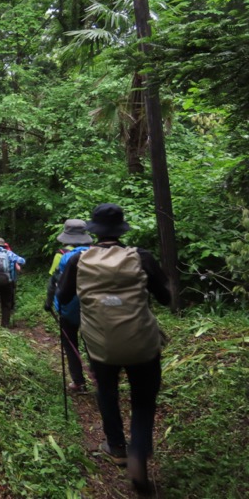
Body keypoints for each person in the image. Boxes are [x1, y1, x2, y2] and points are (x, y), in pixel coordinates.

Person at [56, 204, 171, 493]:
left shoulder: (78, 262)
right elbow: (166, 298)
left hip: (100, 344)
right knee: (143, 401)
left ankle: (117, 446)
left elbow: (64, 295)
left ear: (93, 231)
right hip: (142, 343)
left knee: (106, 392)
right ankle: (138, 453)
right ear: (122, 230)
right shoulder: (141, 257)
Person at [45, 219, 93, 394]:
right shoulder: (99, 254)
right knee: (93, 344)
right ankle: (99, 377)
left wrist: (49, 302)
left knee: (70, 344)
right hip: (94, 309)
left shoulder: (64, 257)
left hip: (69, 308)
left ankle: (79, 382)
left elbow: (54, 282)